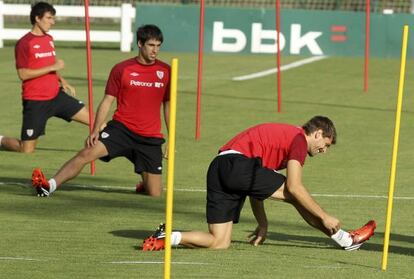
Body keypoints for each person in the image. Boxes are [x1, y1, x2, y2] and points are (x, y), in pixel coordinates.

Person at [143, 116, 376, 251]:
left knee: (219, 242)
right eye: (325, 143)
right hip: (237, 164)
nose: (324, 150)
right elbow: (294, 188)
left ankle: (168, 237)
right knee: (296, 195)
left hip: (219, 168)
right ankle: (346, 239)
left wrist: (262, 224)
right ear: (316, 133)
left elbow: (257, 187)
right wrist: (324, 216)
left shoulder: (284, 141)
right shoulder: (297, 140)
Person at [31, 24, 170, 197]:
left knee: (155, 193)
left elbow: (168, 105)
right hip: (122, 130)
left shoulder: (166, 71)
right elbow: (107, 101)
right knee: (87, 153)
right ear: (140, 44)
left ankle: (145, 182)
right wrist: (95, 130)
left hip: (150, 138)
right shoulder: (121, 69)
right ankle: (49, 186)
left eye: (158, 45)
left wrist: (171, 138)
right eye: (151, 45)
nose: (155, 50)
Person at [0, 2, 89, 153]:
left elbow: (48, 64)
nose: (52, 22)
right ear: (37, 18)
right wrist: (52, 67)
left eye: (53, 18)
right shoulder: (24, 43)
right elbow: (23, 74)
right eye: (49, 18)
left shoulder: (49, 39)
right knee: (26, 149)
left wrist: (63, 81)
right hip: (36, 101)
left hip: (57, 96)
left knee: (95, 121)